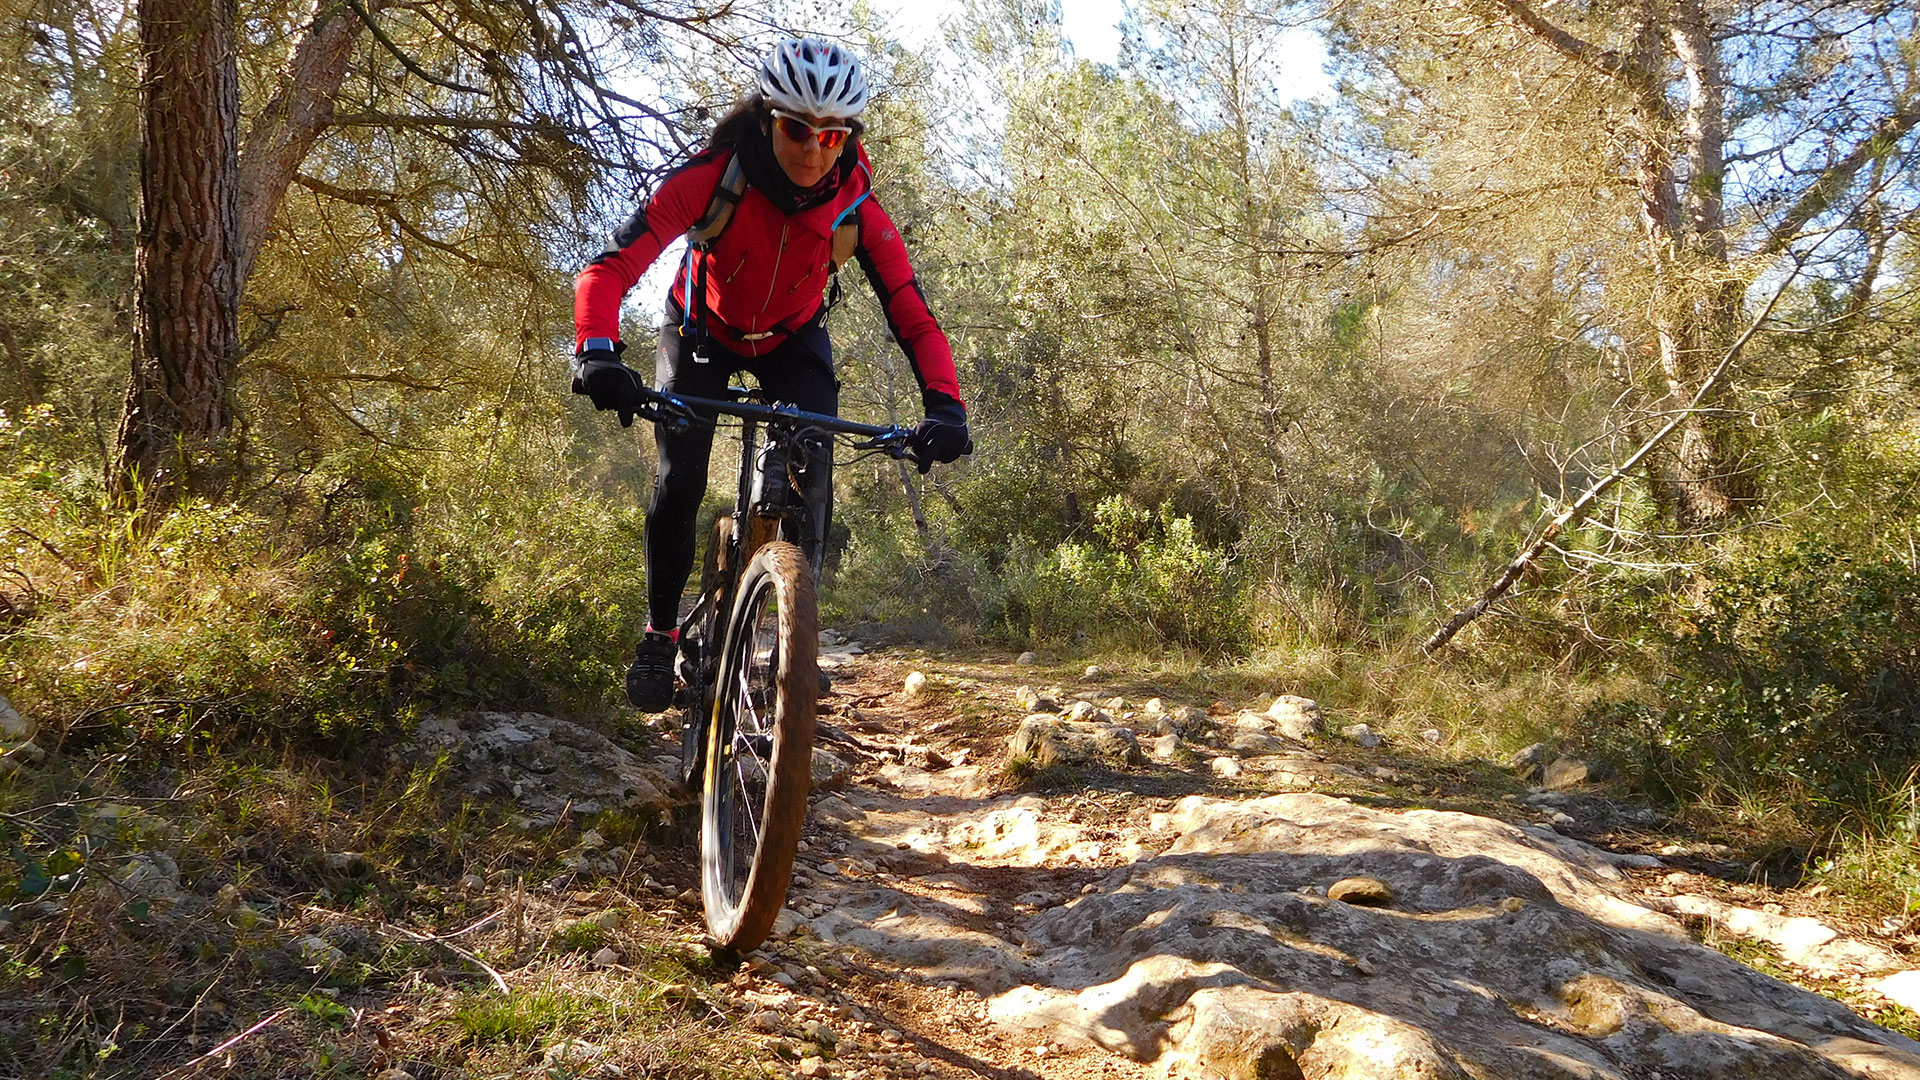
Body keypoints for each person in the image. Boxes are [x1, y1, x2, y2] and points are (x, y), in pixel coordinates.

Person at [570, 37, 971, 711]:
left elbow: (911, 311)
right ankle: (660, 632)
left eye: (832, 136)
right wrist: (599, 350)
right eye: (796, 130)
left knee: (813, 464)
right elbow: (608, 267)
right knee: (681, 473)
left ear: (848, 138)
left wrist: (946, 407)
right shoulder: (713, 175)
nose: (814, 152)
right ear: (767, 119)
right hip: (703, 330)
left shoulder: (855, 204)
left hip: (792, 338)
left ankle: (795, 640)